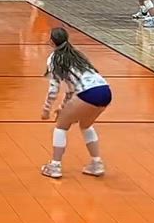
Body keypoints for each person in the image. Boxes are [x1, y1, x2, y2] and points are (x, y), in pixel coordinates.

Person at [40, 26, 109, 179]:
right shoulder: (77, 54)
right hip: (105, 90)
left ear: (51, 41)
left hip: (88, 93)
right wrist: (63, 107)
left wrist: (46, 109)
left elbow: (54, 88)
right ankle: (96, 163)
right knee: (85, 125)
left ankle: (55, 166)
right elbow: (73, 89)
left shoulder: (54, 58)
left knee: (61, 126)